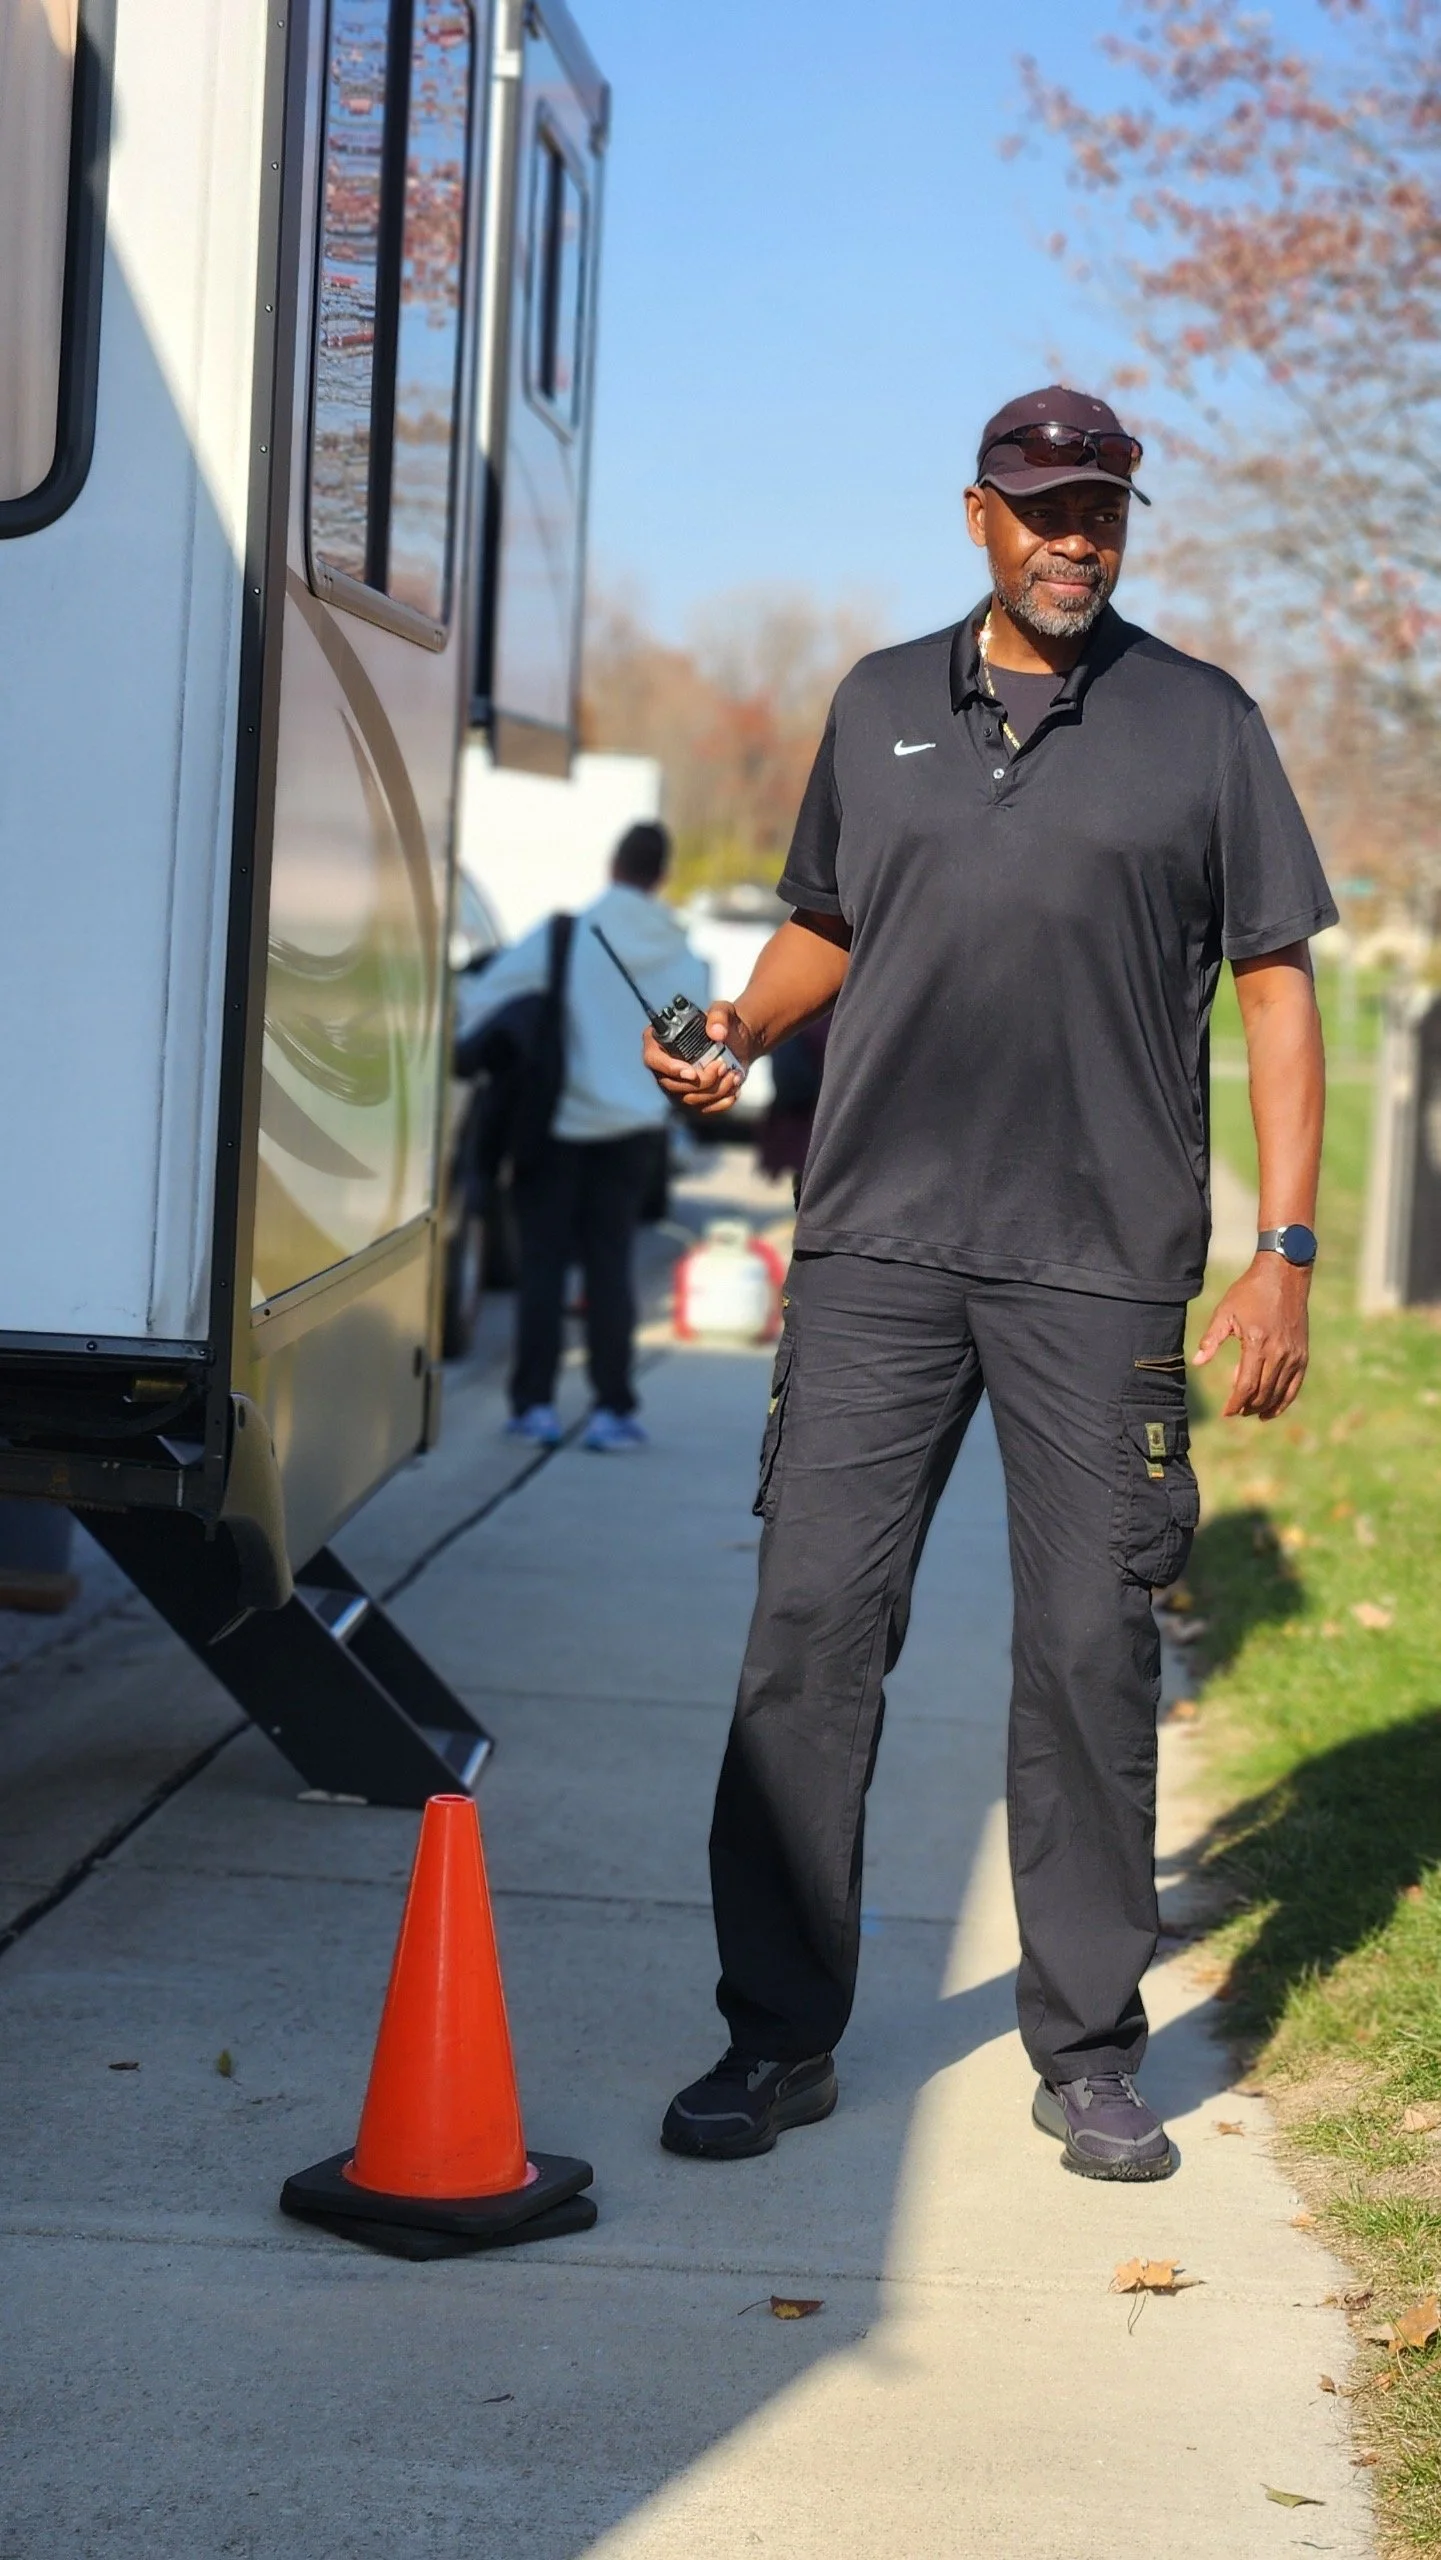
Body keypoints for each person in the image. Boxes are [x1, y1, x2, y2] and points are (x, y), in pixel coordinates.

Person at [644, 386, 1334, 2181]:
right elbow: (825, 923)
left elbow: (1274, 985)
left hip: (1100, 1275)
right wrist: (734, 1026)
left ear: (1127, 519)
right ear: (978, 518)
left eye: (1100, 506)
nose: (1073, 536)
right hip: (875, 1249)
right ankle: (777, 2035)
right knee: (808, 1632)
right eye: (1041, 508)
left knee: (1093, 1650)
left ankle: (1088, 2047)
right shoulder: (877, 703)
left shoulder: (1202, 725)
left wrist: (1285, 1252)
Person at [472, 821, 707, 1453]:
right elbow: (693, 1048)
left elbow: (482, 999)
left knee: (543, 1268)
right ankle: (612, 1409)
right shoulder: (677, 951)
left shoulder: (570, 934)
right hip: (634, 1132)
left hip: (556, 1126)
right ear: (661, 875)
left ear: (613, 866)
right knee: (610, 1268)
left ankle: (535, 1407)